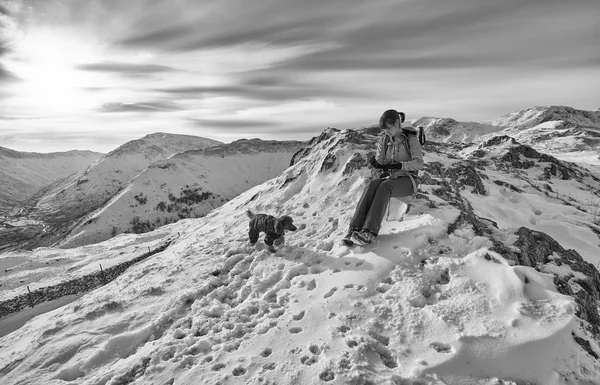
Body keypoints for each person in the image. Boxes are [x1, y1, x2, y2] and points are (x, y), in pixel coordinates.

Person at [344, 109, 424, 246]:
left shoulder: (410, 139)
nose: (387, 132)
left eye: (389, 128)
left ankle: (369, 232)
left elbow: (419, 163)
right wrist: (376, 162)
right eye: (384, 129)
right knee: (372, 184)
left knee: (384, 187)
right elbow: (381, 162)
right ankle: (354, 228)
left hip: (408, 180)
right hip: (391, 178)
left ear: (398, 123)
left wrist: (400, 166)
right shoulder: (385, 139)